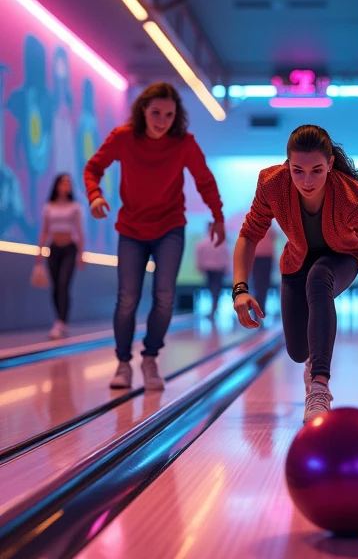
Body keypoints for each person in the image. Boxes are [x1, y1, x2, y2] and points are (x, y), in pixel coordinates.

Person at [232, 124, 358, 422]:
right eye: (298, 171)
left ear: (330, 164)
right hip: (296, 261)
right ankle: (311, 364)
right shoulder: (272, 183)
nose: (307, 180)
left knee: (319, 278)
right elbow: (249, 234)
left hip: (343, 257)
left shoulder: (352, 197)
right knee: (297, 351)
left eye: (317, 170)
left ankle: (319, 387)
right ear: (287, 165)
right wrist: (240, 288)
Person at [84, 82, 225, 391]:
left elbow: (205, 181)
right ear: (143, 111)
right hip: (132, 229)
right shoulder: (123, 138)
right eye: (156, 113)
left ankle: (149, 358)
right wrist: (94, 195)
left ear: (177, 117)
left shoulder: (184, 143)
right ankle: (123, 362)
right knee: (127, 298)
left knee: (164, 298)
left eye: (169, 115)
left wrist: (217, 215)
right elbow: (93, 168)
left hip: (170, 227)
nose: (162, 120)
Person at [36, 173, 85, 339]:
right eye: (63, 182)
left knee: (64, 284)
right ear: (57, 185)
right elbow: (44, 230)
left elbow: (79, 230)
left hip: (69, 249)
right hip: (54, 248)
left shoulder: (75, 207)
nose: (66, 185)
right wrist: (39, 251)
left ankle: (61, 322)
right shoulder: (49, 207)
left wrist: (81, 253)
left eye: (68, 183)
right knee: (56, 286)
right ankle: (58, 319)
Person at [195, 222, 230, 318]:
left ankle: (213, 309)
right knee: (215, 289)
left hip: (211, 269)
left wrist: (200, 266)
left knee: (212, 289)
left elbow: (199, 254)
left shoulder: (203, 242)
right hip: (217, 269)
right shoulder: (221, 241)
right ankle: (214, 309)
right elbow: (226, 256)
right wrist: (227, 268)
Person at [250, 223, 277, 315]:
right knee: (263, 285)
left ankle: (258, 308)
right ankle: (260, 308)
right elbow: (275, 237)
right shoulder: (269, 226)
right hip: (265, 257)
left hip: (257, 257)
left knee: (258, 284)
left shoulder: (252, 225)